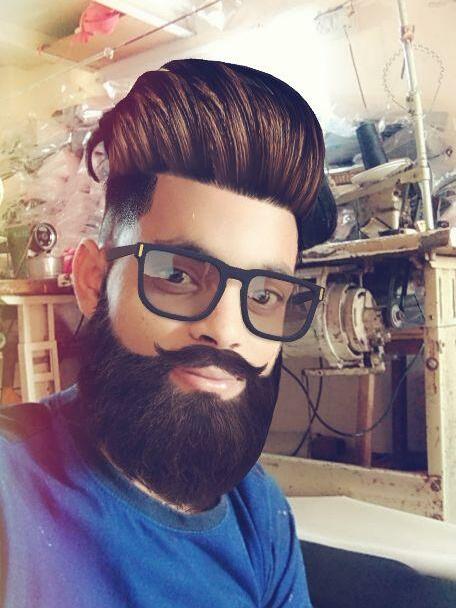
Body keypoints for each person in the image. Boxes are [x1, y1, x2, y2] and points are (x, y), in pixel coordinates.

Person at [0, 58, 335, 607]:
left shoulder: (261, 517)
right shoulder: (13, 493)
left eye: (264, 296)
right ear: (93, 280)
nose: (226, 331)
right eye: (177, 276)